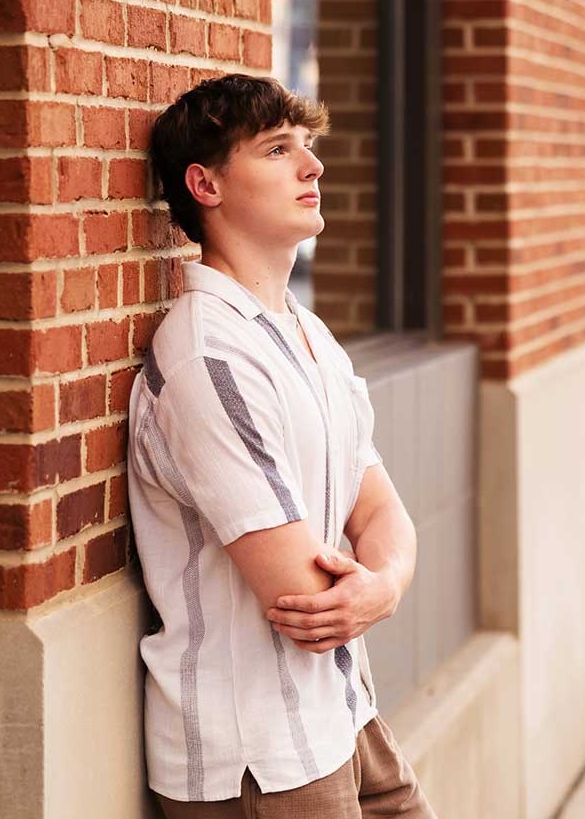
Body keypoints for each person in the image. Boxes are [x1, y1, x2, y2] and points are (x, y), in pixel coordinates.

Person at [127, 73, 436, 818]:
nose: (313, 166)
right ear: (205, 184)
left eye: (308, 146)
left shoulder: (309, 335)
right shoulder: (210, 357)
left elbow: (384, 511)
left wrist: (385, 585)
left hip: (344, 713)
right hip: (262, 756)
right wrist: (378, 585)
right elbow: (302, 599)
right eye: (277, 149)